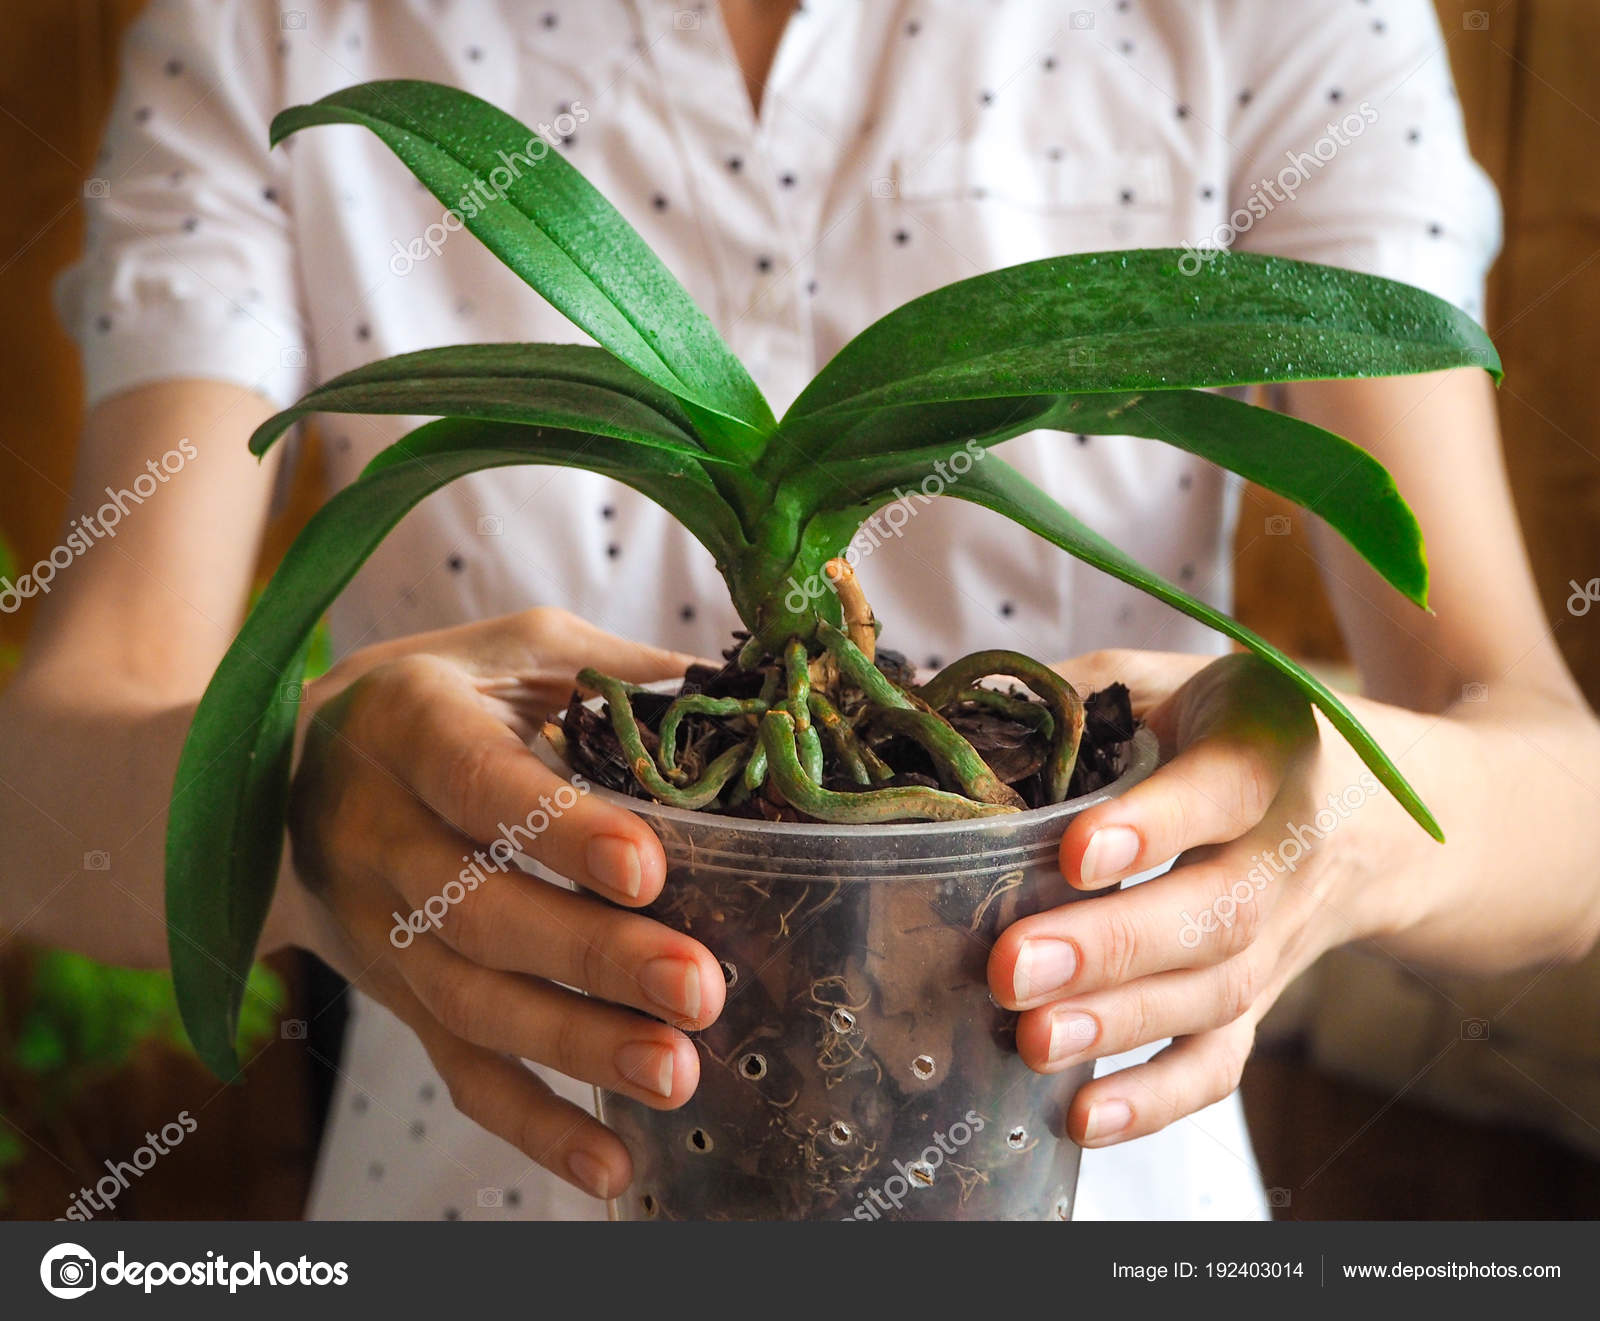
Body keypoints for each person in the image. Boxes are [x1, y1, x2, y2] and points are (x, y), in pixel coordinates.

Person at [4, 0, 1595, 1221]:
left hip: (1091, 1175)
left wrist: (1325, 832)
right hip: (497, 1194)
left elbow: (1560, 799)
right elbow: (41, 804)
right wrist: (303, 810)